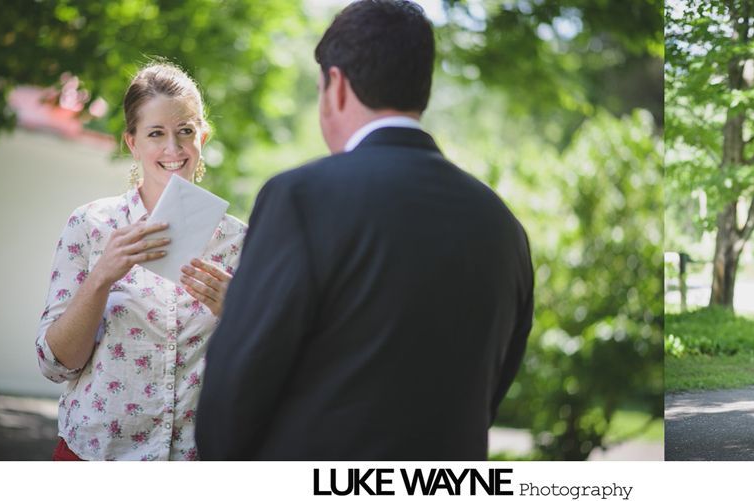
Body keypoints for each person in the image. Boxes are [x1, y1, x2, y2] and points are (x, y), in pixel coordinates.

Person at [195, 0, 534, 460]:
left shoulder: (300, 198)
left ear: (335, 85)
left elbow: (234, 390)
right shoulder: (503, 226)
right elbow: (490, 392)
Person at [35, 62, 247, 460]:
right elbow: (54, 365)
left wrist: (239, 313)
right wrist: (101, 276)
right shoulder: (91, 225)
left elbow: (266, 370)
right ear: (132, 142)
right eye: (156, 134)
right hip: (94, 458)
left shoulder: (239, 242)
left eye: (185, 131)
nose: (173, 148)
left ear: (202, 136)